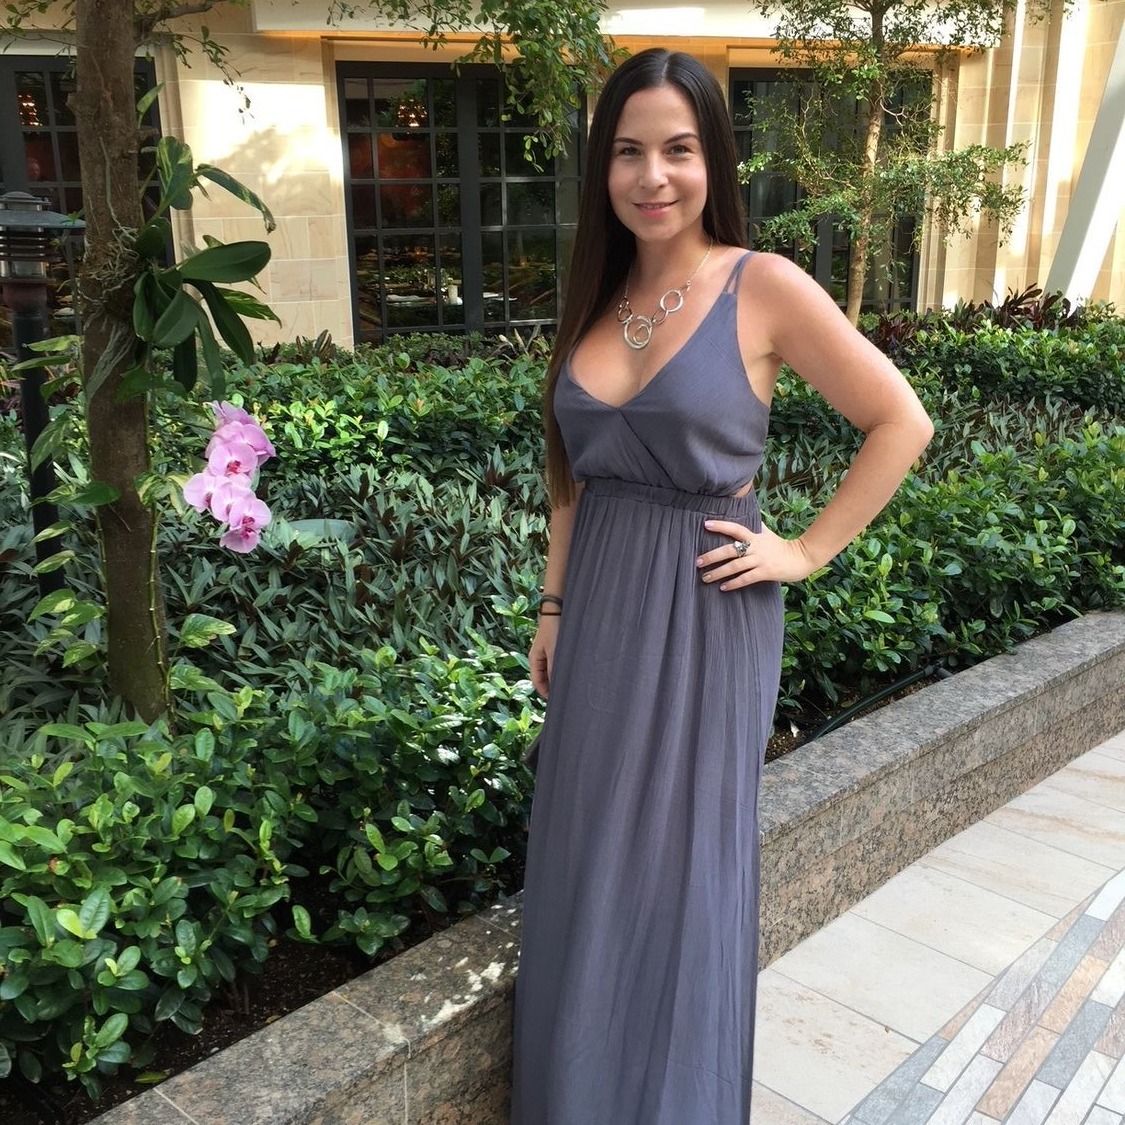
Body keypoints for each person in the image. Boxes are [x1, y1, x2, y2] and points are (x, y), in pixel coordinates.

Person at [509, 47, 934, 1124]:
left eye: (679, 149)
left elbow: (901, 422)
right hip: (600, 607)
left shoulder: (765, 284)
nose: (654, 176)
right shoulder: (598, 296)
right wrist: (552, 607)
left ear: (713, 158)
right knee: (584, 861)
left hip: (706, 610)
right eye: (629, 152)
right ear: (604, 169)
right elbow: (571, 475)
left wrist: (805, 550)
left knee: (678, 878)